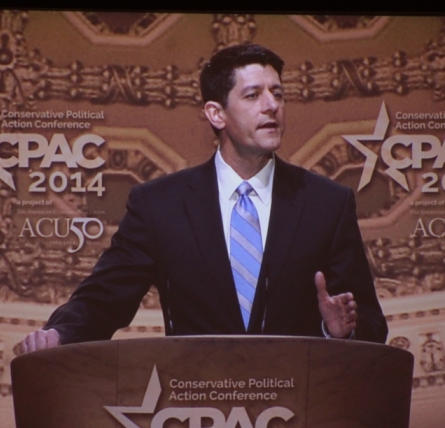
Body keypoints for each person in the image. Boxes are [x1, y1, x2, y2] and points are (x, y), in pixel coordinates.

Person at [20, 44, 387, 354]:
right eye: (253, 94)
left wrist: (340, 333)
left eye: (277, 93)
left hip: (297, 413)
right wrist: (60, 334)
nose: (272, 105)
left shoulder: (327, 204)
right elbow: (104, 299)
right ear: (216, 113)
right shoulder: (159, 206)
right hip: (197, 418)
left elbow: (369, 321)